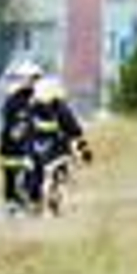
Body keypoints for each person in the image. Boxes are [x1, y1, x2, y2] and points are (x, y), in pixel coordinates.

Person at [25, 75, 92, 211]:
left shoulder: (33, 108)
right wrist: (84, 150)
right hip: (54, 149)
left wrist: (83, 148)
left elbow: (27, 132)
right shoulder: (59, 108)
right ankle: (50, 197)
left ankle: (39, 201)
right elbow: (74, 130)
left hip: (39, 150)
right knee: (58, 173)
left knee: (37, 176)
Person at [0, 60, 42, 214]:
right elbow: (11, 124)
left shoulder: (38, 98)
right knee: (10, 173)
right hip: (11, 145)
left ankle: (33, 200)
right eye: (32, 78)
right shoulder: (13, 101)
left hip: (28, 145)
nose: (34, 82)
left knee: (34, 171)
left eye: (36, 78)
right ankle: (12, 202)